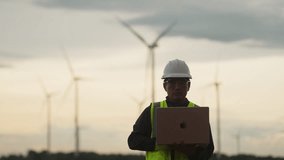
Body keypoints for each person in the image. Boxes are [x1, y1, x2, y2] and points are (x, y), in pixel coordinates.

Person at [128, 59, 214, 160]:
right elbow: (133, 141)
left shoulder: (198, 114)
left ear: (188, 86)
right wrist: (161, 144)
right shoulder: (152, 110)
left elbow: (208, 150)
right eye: (172, 82)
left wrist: (190, 152)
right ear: (165, 86)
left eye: (182, 82)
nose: (177, 87)